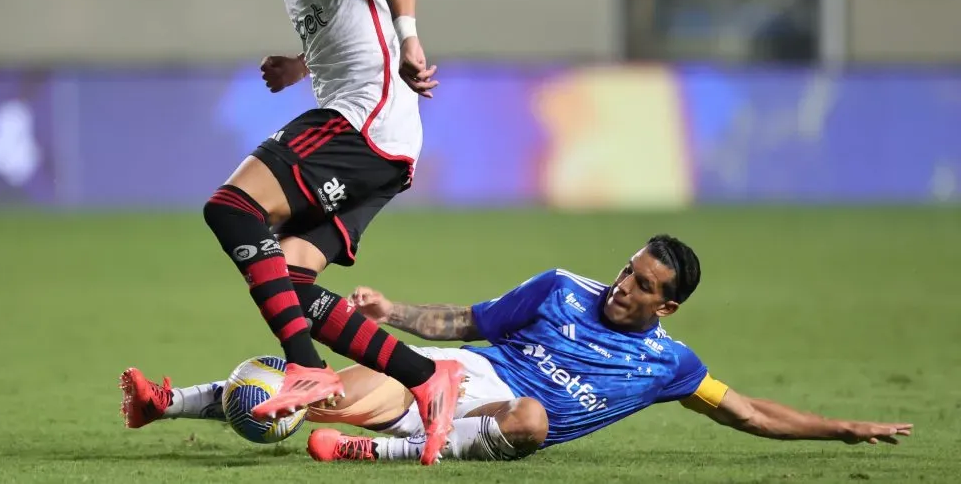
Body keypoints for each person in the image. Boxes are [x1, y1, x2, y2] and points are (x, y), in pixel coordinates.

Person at [119, 0, 462, 465]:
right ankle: (425, 378)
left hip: (366, 121)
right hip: (386, 145)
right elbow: (352, 17)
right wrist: (300, 64)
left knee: (230, 208)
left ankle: (308, 370)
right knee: (291, 280)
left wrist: (413, 39)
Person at [121, 235, 912, 462]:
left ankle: (390, 457)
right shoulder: (562, 286)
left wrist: (842, 427)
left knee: (532, 417)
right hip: (459, 376)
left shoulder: (671, 364)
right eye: (625, 269)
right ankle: (178, 402)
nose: (619, 286)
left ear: (665, 305)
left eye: (640, 286)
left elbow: (747, 411)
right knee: (314, 391)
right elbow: (467, 322)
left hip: (505, 415)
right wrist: (393, 309)